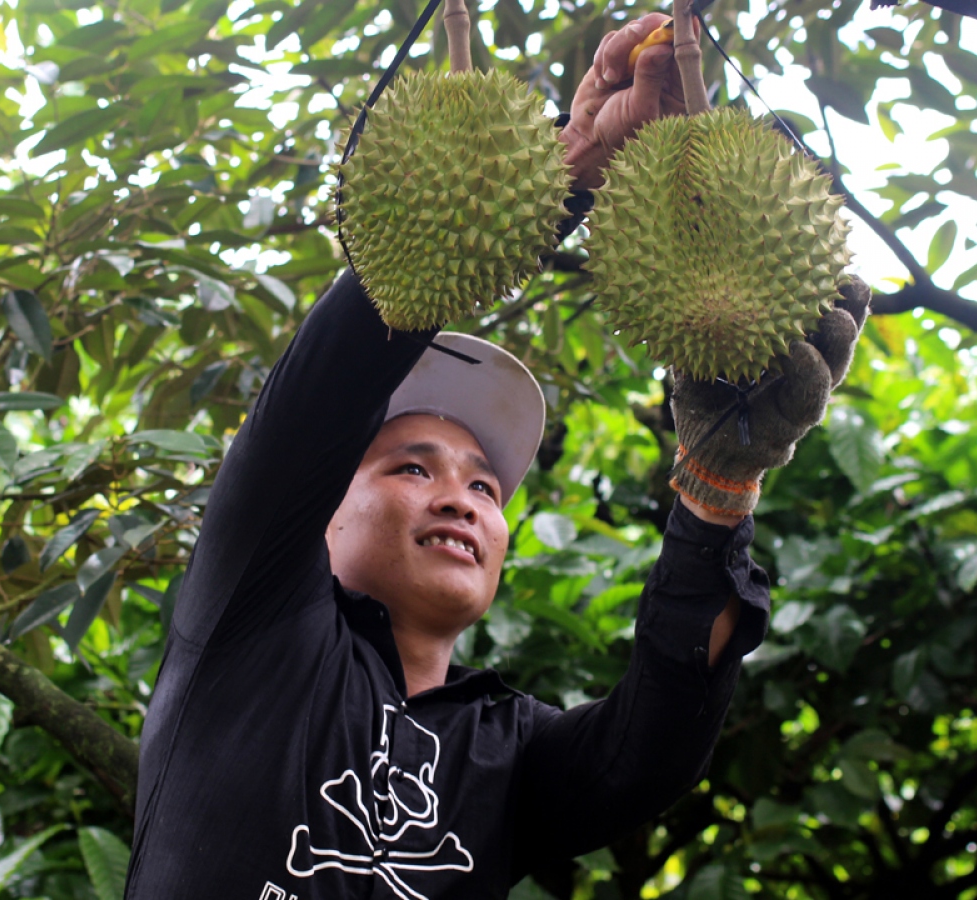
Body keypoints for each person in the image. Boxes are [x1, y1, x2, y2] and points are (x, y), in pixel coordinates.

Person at [123, 14, 870, 900]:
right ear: (320, 510)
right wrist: (557, 174)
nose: (462, 498)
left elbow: (653, 748)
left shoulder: (507, 753)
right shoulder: (248, 627)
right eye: (413, 466)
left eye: (485, 485)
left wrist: (721, 484)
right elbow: (314, 404)